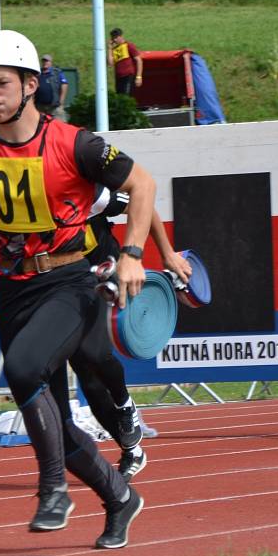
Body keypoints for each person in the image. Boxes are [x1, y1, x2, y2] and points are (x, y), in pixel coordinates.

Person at [0, 29, 155, 549]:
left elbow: (142, 185)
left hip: (73, 280)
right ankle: (120, 498)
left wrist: (133, 254)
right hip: (12, 287)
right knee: (48, 416)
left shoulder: (74, 143)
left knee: (22, 369)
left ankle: (53, 489)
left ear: (31, 84)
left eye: (2, 83)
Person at [69, 187, 191, 482]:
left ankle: (125, 405)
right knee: (86, 377)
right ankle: (131, 450)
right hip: (66, 284)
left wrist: (167, 254)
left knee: (94, 353)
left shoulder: (92, 194)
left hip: (104, 275)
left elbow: (143, 206)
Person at [107, 28, 143, 98]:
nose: (114, 40)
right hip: (118, 77)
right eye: (113, 38)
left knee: (126, 96)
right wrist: (109, 49)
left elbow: (139, 60)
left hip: (128, 75)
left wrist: (139, 77)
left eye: (116, 37)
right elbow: (110, 63)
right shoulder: (114, 49)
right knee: (119, 98)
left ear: (120, 36)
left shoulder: (129, 45)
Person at [34, 54, 68, 121]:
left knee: (59, 125)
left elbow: (64, 85)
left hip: (54, 106)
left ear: (51, 62)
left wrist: (61, 102)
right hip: (40, 106)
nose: (45, 63)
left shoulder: (57, 73)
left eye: (47, 61)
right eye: (43, 61)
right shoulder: (38, 73)